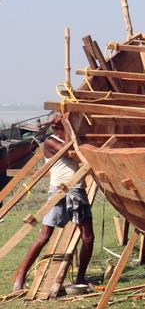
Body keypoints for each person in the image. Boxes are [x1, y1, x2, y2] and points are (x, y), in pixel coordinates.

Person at [12, 113, 94, 294]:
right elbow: (71, 152)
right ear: (57, 125)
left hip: (77, 190)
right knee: (44, 236)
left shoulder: (72, 138)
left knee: (88, 238)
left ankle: (80, 277)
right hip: (58, 191)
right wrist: (68, 127)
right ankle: (20, 276)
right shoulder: (50, 141)